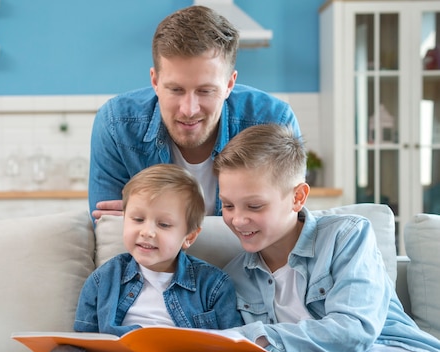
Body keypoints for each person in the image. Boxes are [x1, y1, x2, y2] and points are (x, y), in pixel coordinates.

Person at [41, 164, 306, 352]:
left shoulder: (213, 284)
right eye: (137, 219)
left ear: (189, 236)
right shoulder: (103, 281)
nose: (147, 232)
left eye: (164, 225)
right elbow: (85, 349)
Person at [214, 123, 440, 352]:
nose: (238, 219)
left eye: (254, 206)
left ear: (297, 197)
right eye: (228, 205)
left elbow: (354, 329)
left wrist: (255, 338)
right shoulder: (233, 280)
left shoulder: (346, 236)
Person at [89, 5, 300, 221]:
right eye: (176, 90)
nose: (189, 110)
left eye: (205, 91)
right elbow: (109, 231)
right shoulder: (115, 123)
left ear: (229, 84)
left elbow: (284, 229)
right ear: (155, 81)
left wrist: (151, 221)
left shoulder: (274, 121)